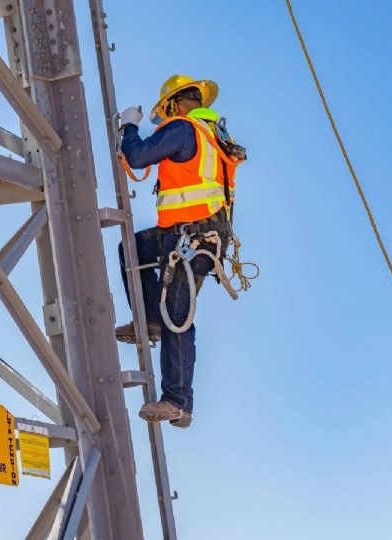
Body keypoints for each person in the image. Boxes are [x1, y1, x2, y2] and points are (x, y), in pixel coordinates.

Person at [115, 74, 245, 429]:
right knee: (133, 247)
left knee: (178, 313)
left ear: (173, 104)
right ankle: (151, 320)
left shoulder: (185, 129)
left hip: (192, 238)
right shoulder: (212, 135)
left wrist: (128, 126)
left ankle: (177, 401)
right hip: (190, 235)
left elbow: (139, 156)